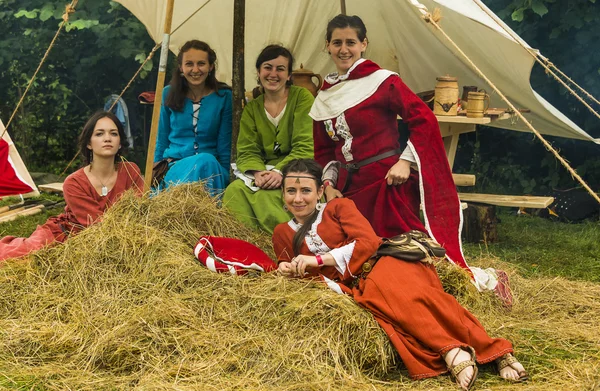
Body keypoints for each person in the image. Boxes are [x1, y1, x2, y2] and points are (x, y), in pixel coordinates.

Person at [272, 159, 528, 391]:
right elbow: (297, 273)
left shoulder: (338, 207)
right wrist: (288, 269)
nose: (298, 199)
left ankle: (480, 351)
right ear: (282, 194)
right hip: (359, 286)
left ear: (319, 192)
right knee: (387, 300)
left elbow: (368, 242)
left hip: (385, 261)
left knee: (420, 297)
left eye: (305, 191)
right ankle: (467, 351)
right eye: (291, 191)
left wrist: (317, 259)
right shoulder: (282, 233)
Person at [310, 15, 468, 270]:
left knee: (399, 253)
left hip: (386, 183)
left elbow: (424, 119)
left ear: (364, 44)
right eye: (337, 42)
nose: (343, 49)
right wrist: (327, 186)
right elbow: (324, 150)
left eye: (351, 42)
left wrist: (405, 162)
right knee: (347, 257)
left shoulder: (383, 81)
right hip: (347, 189)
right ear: (327, 46)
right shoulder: (324, 96)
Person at [0, 111, 144, 261]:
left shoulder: (130, 171)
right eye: (99, 134)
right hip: (68, 234)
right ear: (89, 143)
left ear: (120, 142)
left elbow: (140, 210)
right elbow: (95, 225)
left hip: (117, 239)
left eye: (113, 134)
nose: (107, 138)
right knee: (17, 256)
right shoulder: (74, 182)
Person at [223, 44, 314, 233]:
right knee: (235, 191)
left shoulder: (302, 98)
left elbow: (305, 145)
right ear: (259, 71)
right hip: (263, 172)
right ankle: (247, 241)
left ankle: (288, 238)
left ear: (289, 75)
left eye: (280, 69)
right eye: (268, 67)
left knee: (288, 190)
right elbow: (247, 149)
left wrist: (280, 171)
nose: (273, 74)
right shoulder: (252, 109)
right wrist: (259, 173)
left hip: (297, 166)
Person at [155, 40, 232, 196]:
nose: (195, 69)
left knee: (206, 161)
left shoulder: (224, 97)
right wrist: (153, 172)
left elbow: (225, 143)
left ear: (210, 67)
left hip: (211, 169)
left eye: (201, 63)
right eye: (189, 64)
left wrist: (225, 176)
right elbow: (161, 138)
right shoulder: (168, 93)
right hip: (176, 166)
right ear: (181, 68)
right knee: (203, 161)